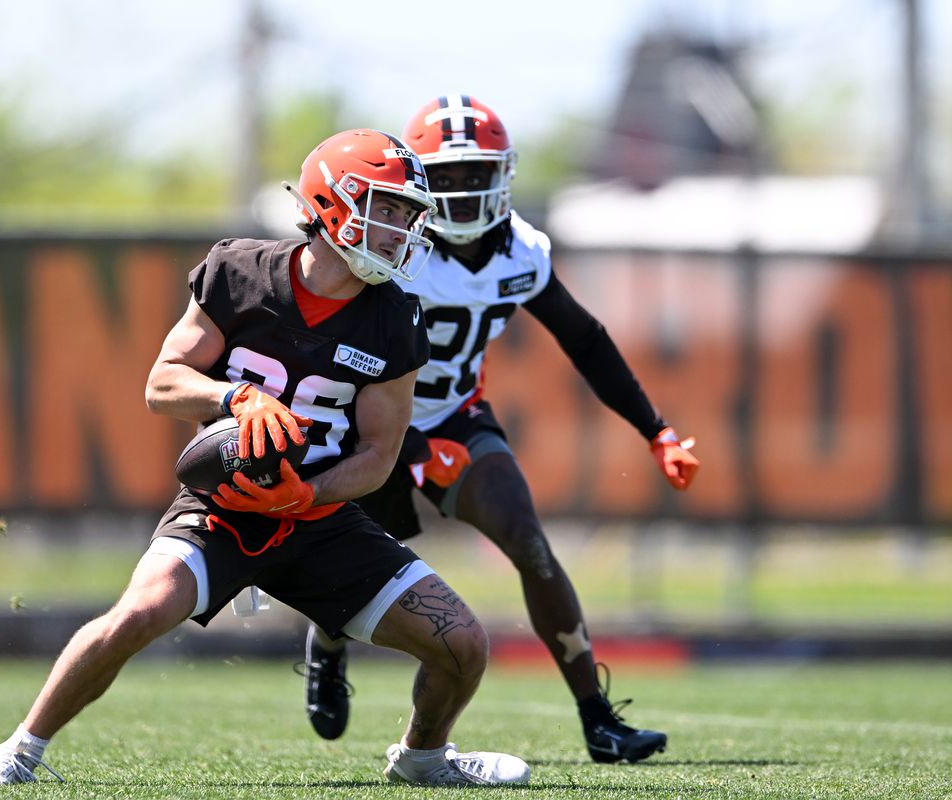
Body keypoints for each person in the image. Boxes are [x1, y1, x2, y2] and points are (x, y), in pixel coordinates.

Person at [0, 128, 530, 789]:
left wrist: (306, 496)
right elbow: (162, 384)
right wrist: (237, 398)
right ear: (335, 204)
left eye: (408, 214)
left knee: (463, 645)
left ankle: (424, 758)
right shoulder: (238, 273)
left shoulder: (394, 317)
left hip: (320, 516)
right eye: (391, 208)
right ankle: (21, 748)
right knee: (137, 615)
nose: (403, 228)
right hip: (223, 508)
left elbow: (378, 454)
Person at [298, 97, 701, 765]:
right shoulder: (394, 241)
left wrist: (654, 430)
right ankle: (329, 644)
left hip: (457, 413)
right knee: (350, 566)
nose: (460, 190)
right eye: (445, 176)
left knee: (530, 542)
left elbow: (586, 340)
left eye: (474, 173)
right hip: (368, 423)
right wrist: (410, 445)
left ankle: (597, 717)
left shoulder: (521, 251)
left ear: (504, 175)